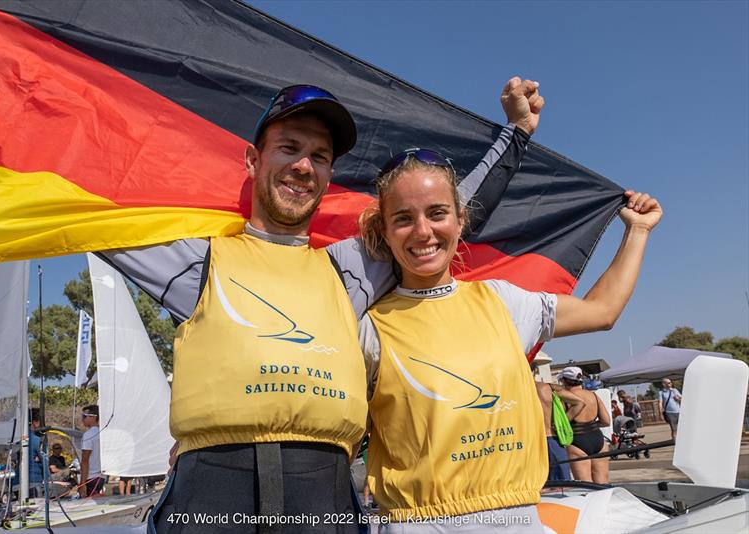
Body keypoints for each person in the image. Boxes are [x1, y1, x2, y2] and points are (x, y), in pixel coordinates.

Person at [110, 79, 540, 534]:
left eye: (318, 157)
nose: (302, 165)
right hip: (211, 497)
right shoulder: (198, 260)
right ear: (254, 160)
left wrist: (517, 134)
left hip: (323, 498)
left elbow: (442, 213)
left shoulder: (349, 269)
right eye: (289, 148)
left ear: (328, 175)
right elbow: (80, 213)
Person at [356, 145, 661, 530]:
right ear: (384, 229)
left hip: (520, 519)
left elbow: (602, 311)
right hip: (418, 524)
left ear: (460, 219)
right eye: (403, 218)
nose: (423, 231)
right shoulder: (369, 327)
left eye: (437, 213)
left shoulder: (504, 301)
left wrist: (637, 230)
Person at [558, 367, 611, 483]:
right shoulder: (593, 396)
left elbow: (560, 423)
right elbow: (606, 421)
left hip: (576, 441)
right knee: (603, 483)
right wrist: (592, 425)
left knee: (586, 485)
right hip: (598, 439)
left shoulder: (564, 398)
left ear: (564, 380)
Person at [533, 365, 583, 482]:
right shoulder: (549, 388)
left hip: (531, 443)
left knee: (537, 487)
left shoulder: (516, 390)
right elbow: (579, 402)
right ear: (535, 371)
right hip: (551, 439)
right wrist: (562, 422)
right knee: (562, 486)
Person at [13, 408, 43, 492]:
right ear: (35, 422)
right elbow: (43, 460)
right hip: (34, 482)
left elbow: (14, 459)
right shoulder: (37, 440)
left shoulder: (17, 440)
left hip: (17, 483)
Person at [79, 405, 104, 497]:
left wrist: (82, 484)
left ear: (93, 417)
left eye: (84, 416)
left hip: (91, 478)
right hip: (101, 477)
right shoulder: (103, 433)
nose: (82, 419)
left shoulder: (88, 435)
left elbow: (85, 460)